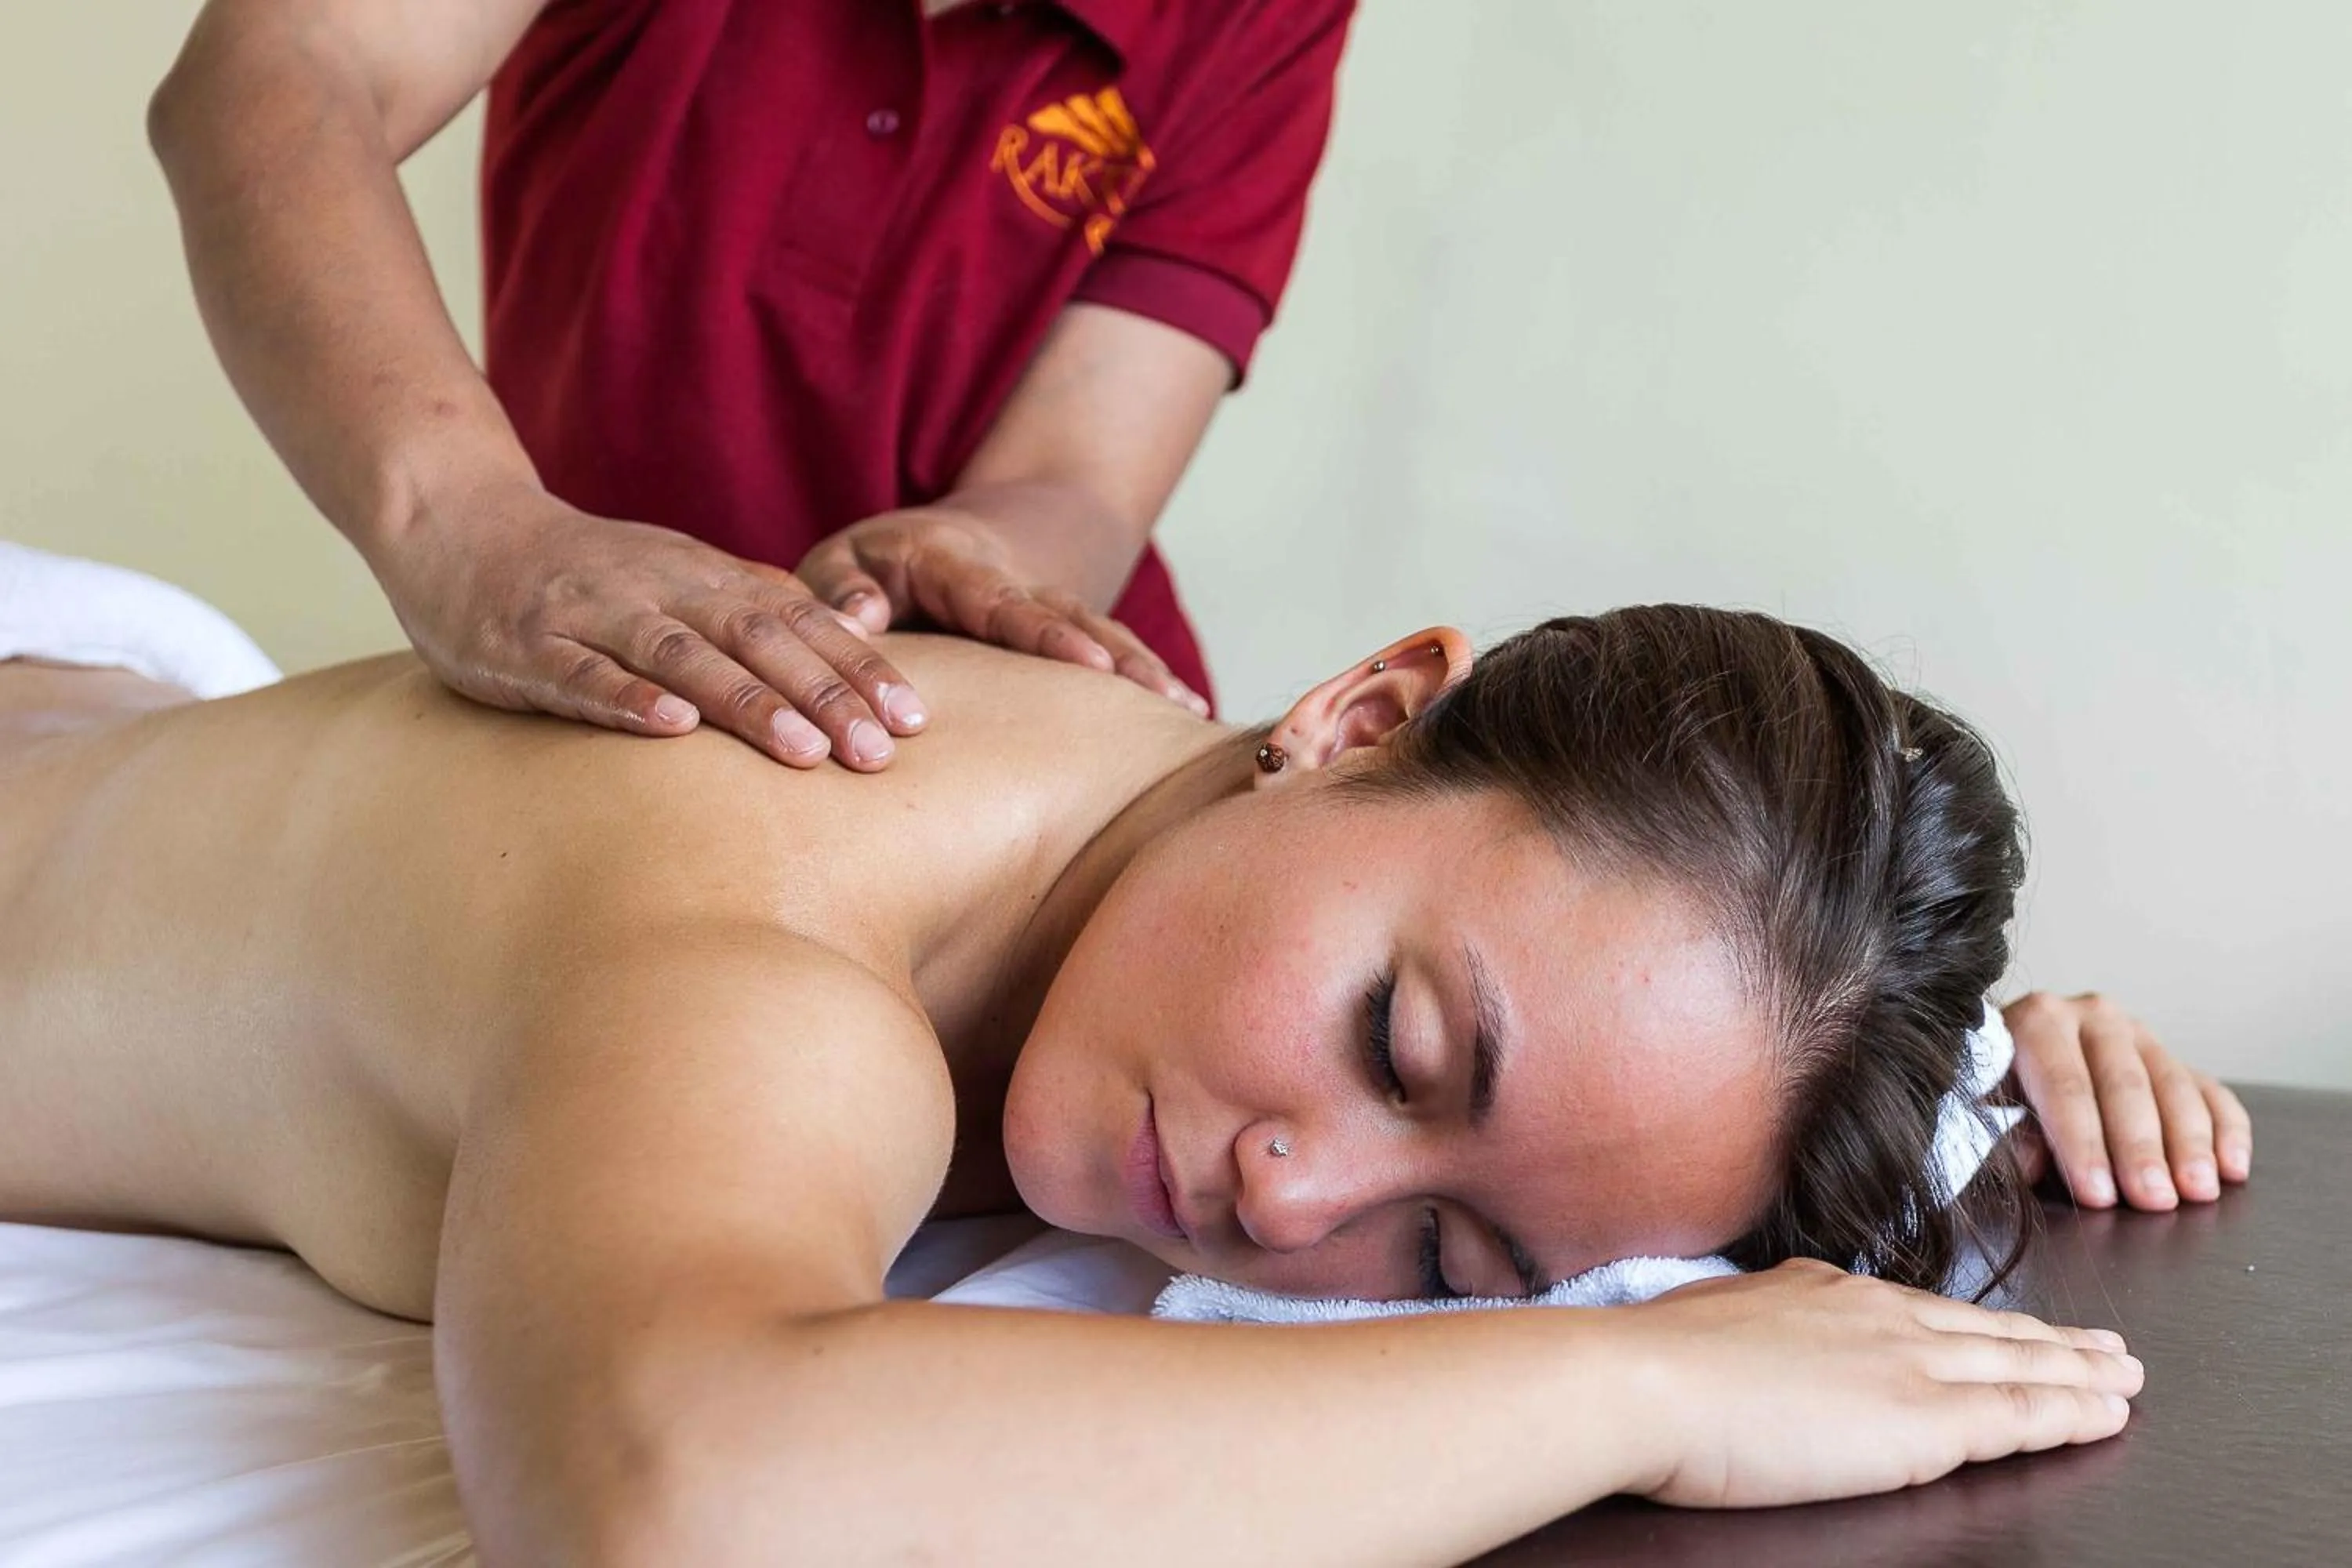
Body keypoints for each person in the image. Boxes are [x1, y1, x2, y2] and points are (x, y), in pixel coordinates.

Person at [0, 557, 2246, 1564]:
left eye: (1454, 1256)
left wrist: (1995, 1070)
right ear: (1363, 710)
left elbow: (1671, 1040)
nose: (1296, 1206)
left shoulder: (1175, 786)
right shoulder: (767, 976)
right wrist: (1638, 1389)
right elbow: (675, 1495)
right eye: (1399, 1043)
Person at [149, 0, 1356, 770]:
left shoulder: (1258, 16)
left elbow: (1077, 481)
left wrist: (969, 558)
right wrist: (469, 525)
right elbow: (274, 70)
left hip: (975, 729)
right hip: (613, 719)